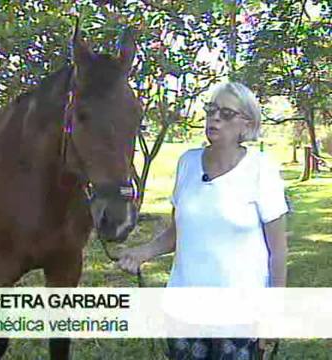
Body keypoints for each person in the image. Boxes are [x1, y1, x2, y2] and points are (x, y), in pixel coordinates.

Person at [118, 82, 288, 359]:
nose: (215, 118)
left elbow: (278, 252)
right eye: (211, 110)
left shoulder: (262, 169)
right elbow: (177, 233)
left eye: (226, 113)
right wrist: (142, 253)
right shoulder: (187, 163)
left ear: (246, 124)